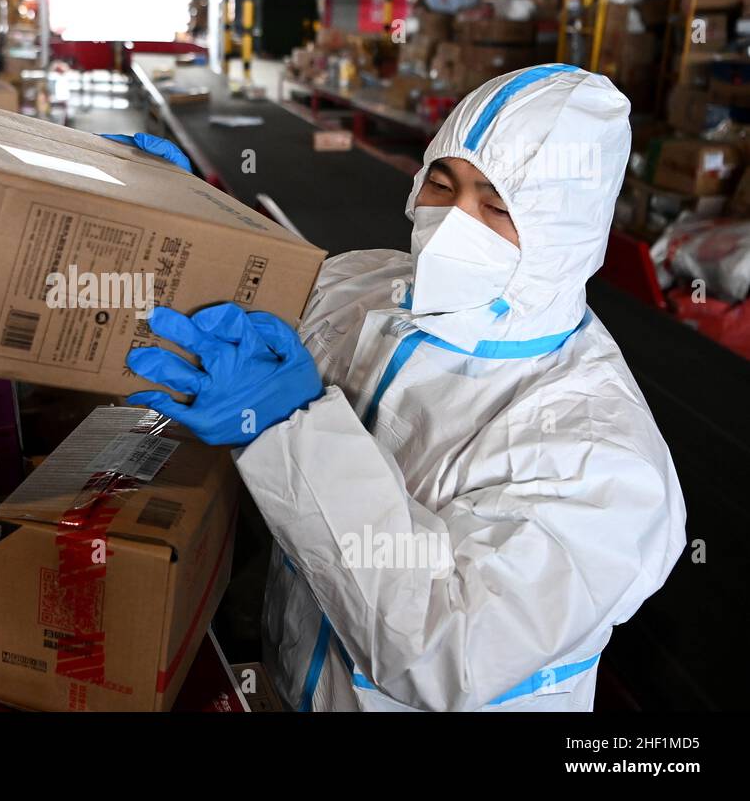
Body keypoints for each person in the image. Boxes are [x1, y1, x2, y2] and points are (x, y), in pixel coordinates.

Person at [115, 64, 687, 711]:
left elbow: (447, 651)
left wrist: (286, 429)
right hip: (289, 683)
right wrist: (198, 223)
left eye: (497, 205)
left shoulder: (602, 459)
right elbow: (264, 303)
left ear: (569, 228)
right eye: (443, 185)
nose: (454, 224)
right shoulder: (374, 284)